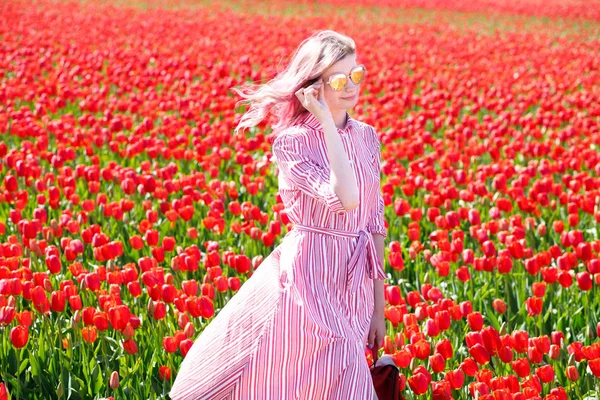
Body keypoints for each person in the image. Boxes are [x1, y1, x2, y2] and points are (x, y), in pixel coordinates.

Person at [169, 29, 387, 400]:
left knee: (330, 381)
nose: (351, 86)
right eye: (338, 78)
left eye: (357, 74)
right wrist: (324, 122)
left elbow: (373, 221)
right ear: (313, 87)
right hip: (310, 276)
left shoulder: (366, 136)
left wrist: (378, 307)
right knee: (299, 375)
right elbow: (346, 198)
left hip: (355, 279)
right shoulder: (293, 142)